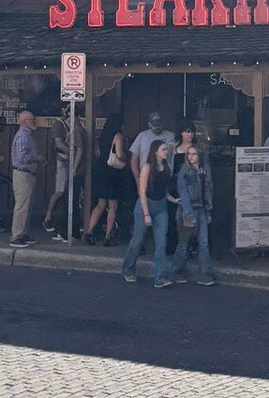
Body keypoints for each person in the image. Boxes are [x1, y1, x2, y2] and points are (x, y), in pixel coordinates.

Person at [121, 140, 176, 287]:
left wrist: (172, 199)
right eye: (164, 149)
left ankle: (160, 277)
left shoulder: (166, 168)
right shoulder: (146, 168)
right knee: (137, 240)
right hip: (145, 205)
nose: (166, 152)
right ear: (156, 151)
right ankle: (128, 268)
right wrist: (146, 214)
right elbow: (143, 191)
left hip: (161, 206)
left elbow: (164, 190)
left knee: (161, 242)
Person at [171, 144, 215, 286]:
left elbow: (208, 190)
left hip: (201, 208)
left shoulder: (205, 170)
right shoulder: (184, 172)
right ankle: (177, 272)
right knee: (183, 243)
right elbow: (183, 194)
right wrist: (190, 214)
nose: (191, 157)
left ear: (199, 156)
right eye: (189, 154)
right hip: (187, 209)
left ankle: (205, 274)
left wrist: (208, 210)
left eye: (194, 154)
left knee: (204, 242)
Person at [85, 115, 126, 246]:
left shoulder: (102, 136)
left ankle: (89, 231)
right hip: (112, 172)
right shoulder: (118, 136)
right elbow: (119, 154)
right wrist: (127, 158)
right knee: (113, 205)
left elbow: (98, 153)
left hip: (100, 170)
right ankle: (108, 236)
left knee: (100, 204)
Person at [43, 117, 84, 239]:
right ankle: (48, 217)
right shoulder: (58, 125)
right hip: (62, 160)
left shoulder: (76, 129)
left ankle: (72, 226)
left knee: (71, 194)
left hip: (71, 162)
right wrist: (73, 152)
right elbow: (59, 144)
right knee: (60, 191)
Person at [9, 110, 44, 249]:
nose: (34, 122)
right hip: (23, 173)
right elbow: (22, 157)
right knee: (22, 206)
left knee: (27, 206)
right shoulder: (23, 136)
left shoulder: (28, 135)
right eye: (31, 120)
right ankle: (16, 235)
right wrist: (38, 158)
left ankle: (23, 233)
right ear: (24, 121)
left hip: (28, 173)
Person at [129, 112, 176, 182]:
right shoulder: (142, 136)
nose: (157, 127)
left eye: (159, 125)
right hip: (146, 176)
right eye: (154, 125)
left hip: (165, 176)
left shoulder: (171, 136)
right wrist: (137, 178)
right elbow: (134, 159)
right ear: (149, 124)